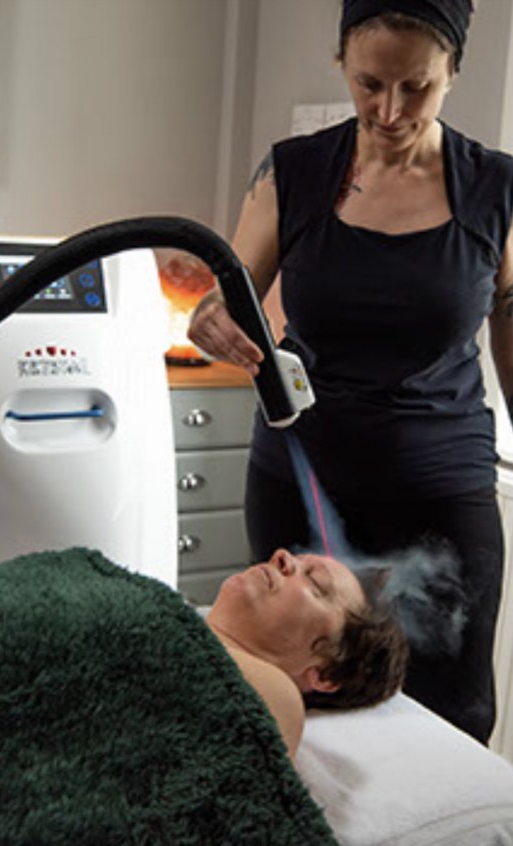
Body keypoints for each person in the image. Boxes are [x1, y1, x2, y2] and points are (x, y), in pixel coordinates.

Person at [188, 0, 513, 745]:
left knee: (451, 713)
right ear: (342, 63)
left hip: (441, 488)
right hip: (301, 480)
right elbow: (227, 296)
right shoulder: (293, 173)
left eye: (416, 87)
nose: (390, 110)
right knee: (286, 692)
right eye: (369, 83)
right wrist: (209, 319)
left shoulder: (498, 190)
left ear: (452, 73)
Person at [206, 547, 408, 758]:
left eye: (315, 581)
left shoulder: (278, 698)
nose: (281, 555)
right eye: (297, 559)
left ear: (326, 674)